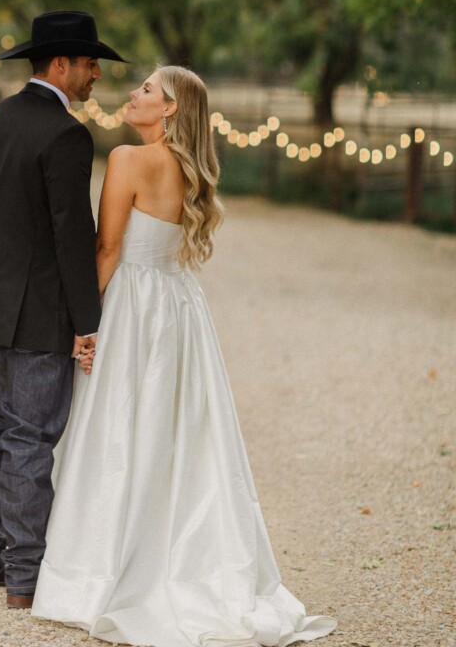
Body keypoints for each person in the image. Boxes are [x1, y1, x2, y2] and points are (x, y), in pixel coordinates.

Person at [33, 65, 337, 647]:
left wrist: (82, 324)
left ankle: (107, 562)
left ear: (170, 107)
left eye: (147, 89)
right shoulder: (190, 170)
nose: (133, 93)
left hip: (133, 306)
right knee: (181, 436)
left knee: (119, 426)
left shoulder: (127, 160)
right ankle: (185, 555)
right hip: (179, 309)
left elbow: (107, 248)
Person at [0, 10, 126, 609]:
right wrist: (88, 320)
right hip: (41, 312)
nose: (96, 73)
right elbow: (73, 234)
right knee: (29, 439)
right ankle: (25, 578)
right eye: (90, 62)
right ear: (61, 65)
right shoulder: (66, 134)